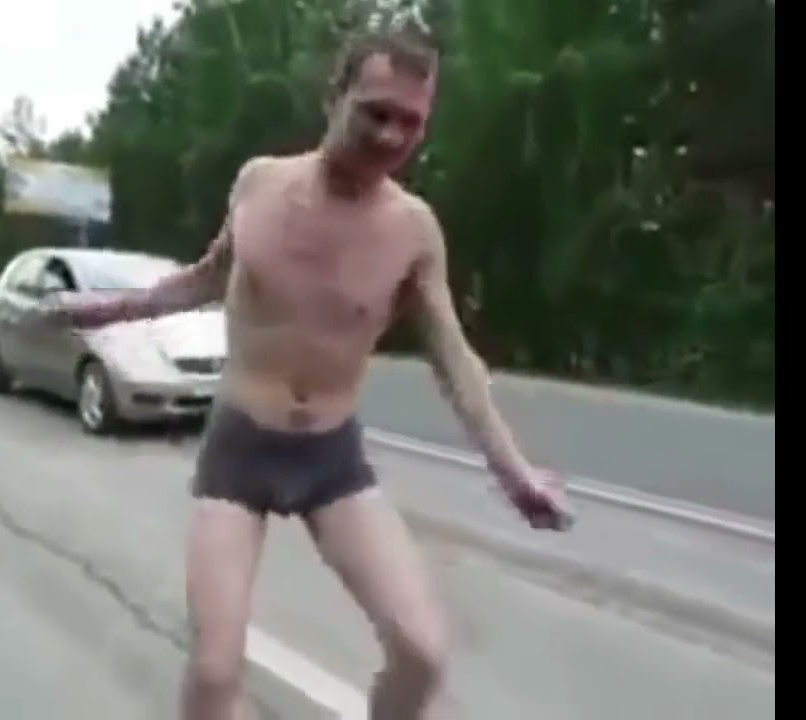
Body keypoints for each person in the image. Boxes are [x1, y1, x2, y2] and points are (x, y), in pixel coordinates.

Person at [49, 22, 573, 720]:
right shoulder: (259, 184)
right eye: (375, 112)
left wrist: (515, 473)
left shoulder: (414, 231)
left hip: (330, 459)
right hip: (240, 448)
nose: (391, 135)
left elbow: (454, 357)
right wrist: (115, 308)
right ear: (335, 96)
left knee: (422, 651)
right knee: (214, 670)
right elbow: (208, 277)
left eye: (411, 122)